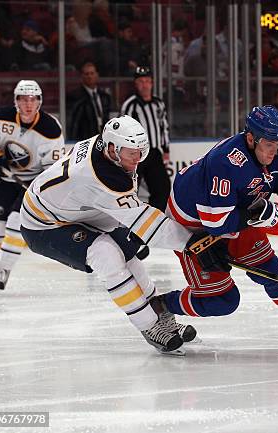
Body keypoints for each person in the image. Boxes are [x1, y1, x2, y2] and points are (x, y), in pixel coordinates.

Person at [155, 105, 278, 342]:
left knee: (272, 272)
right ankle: (160, 307)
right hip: (192, 227)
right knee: (222, 301)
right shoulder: (225, 162)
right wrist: (263, 215)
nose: (275, 152)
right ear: (251, 138)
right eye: (268, 144)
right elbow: (216, 224)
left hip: (237, 214)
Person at [19, 115, 206, 355]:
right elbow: (152, 227)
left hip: (75, 209)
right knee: (105, 253)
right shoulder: (101, 177)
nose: (137, 159)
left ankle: (159, 315)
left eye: (140, 151)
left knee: (128, 252)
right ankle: (148, 325)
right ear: (112, 149)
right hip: (43, 224)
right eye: (131, 153)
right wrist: (194, 243)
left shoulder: (105, 150)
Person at [0, 80, 66, 291]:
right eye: (23, 99)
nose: (28, 104)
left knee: (15, 222)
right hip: (8, 179)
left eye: (33, 99)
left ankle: (4, 270)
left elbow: (53, 169)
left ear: (39, 102)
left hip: (34, 184)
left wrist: (42, 189)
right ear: (16, 101)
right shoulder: (0, 116)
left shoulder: (51, 129)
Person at [120, 66, 171, 211]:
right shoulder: (130, 105)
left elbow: (164, 127)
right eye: (141, 81)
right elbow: (122, 130)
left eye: (147, 81)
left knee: (162, 188)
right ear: (136, 84)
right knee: (129, 189)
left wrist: (166, 149)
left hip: (154, 152)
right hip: (135, 154)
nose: (145, 85)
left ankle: (156, 218)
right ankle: (129, 218)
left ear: (152, 83)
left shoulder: (158, 103)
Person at [67, 61, 111, 140]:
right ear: (82, 76)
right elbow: (73, 124)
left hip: (104, 140)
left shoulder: (104, 96)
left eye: (92, 73)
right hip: (85, 141)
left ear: (97, 75)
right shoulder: (75, 96)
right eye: (86, 74)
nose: (89, 76)